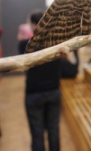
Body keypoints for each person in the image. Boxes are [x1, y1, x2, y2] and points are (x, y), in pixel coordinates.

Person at [25, 11, 61, 151]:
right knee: (53, 130)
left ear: (34, 25)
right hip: (53, 91)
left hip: (34, 93)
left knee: (37, 132)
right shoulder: (57, 43)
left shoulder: (26, 44)